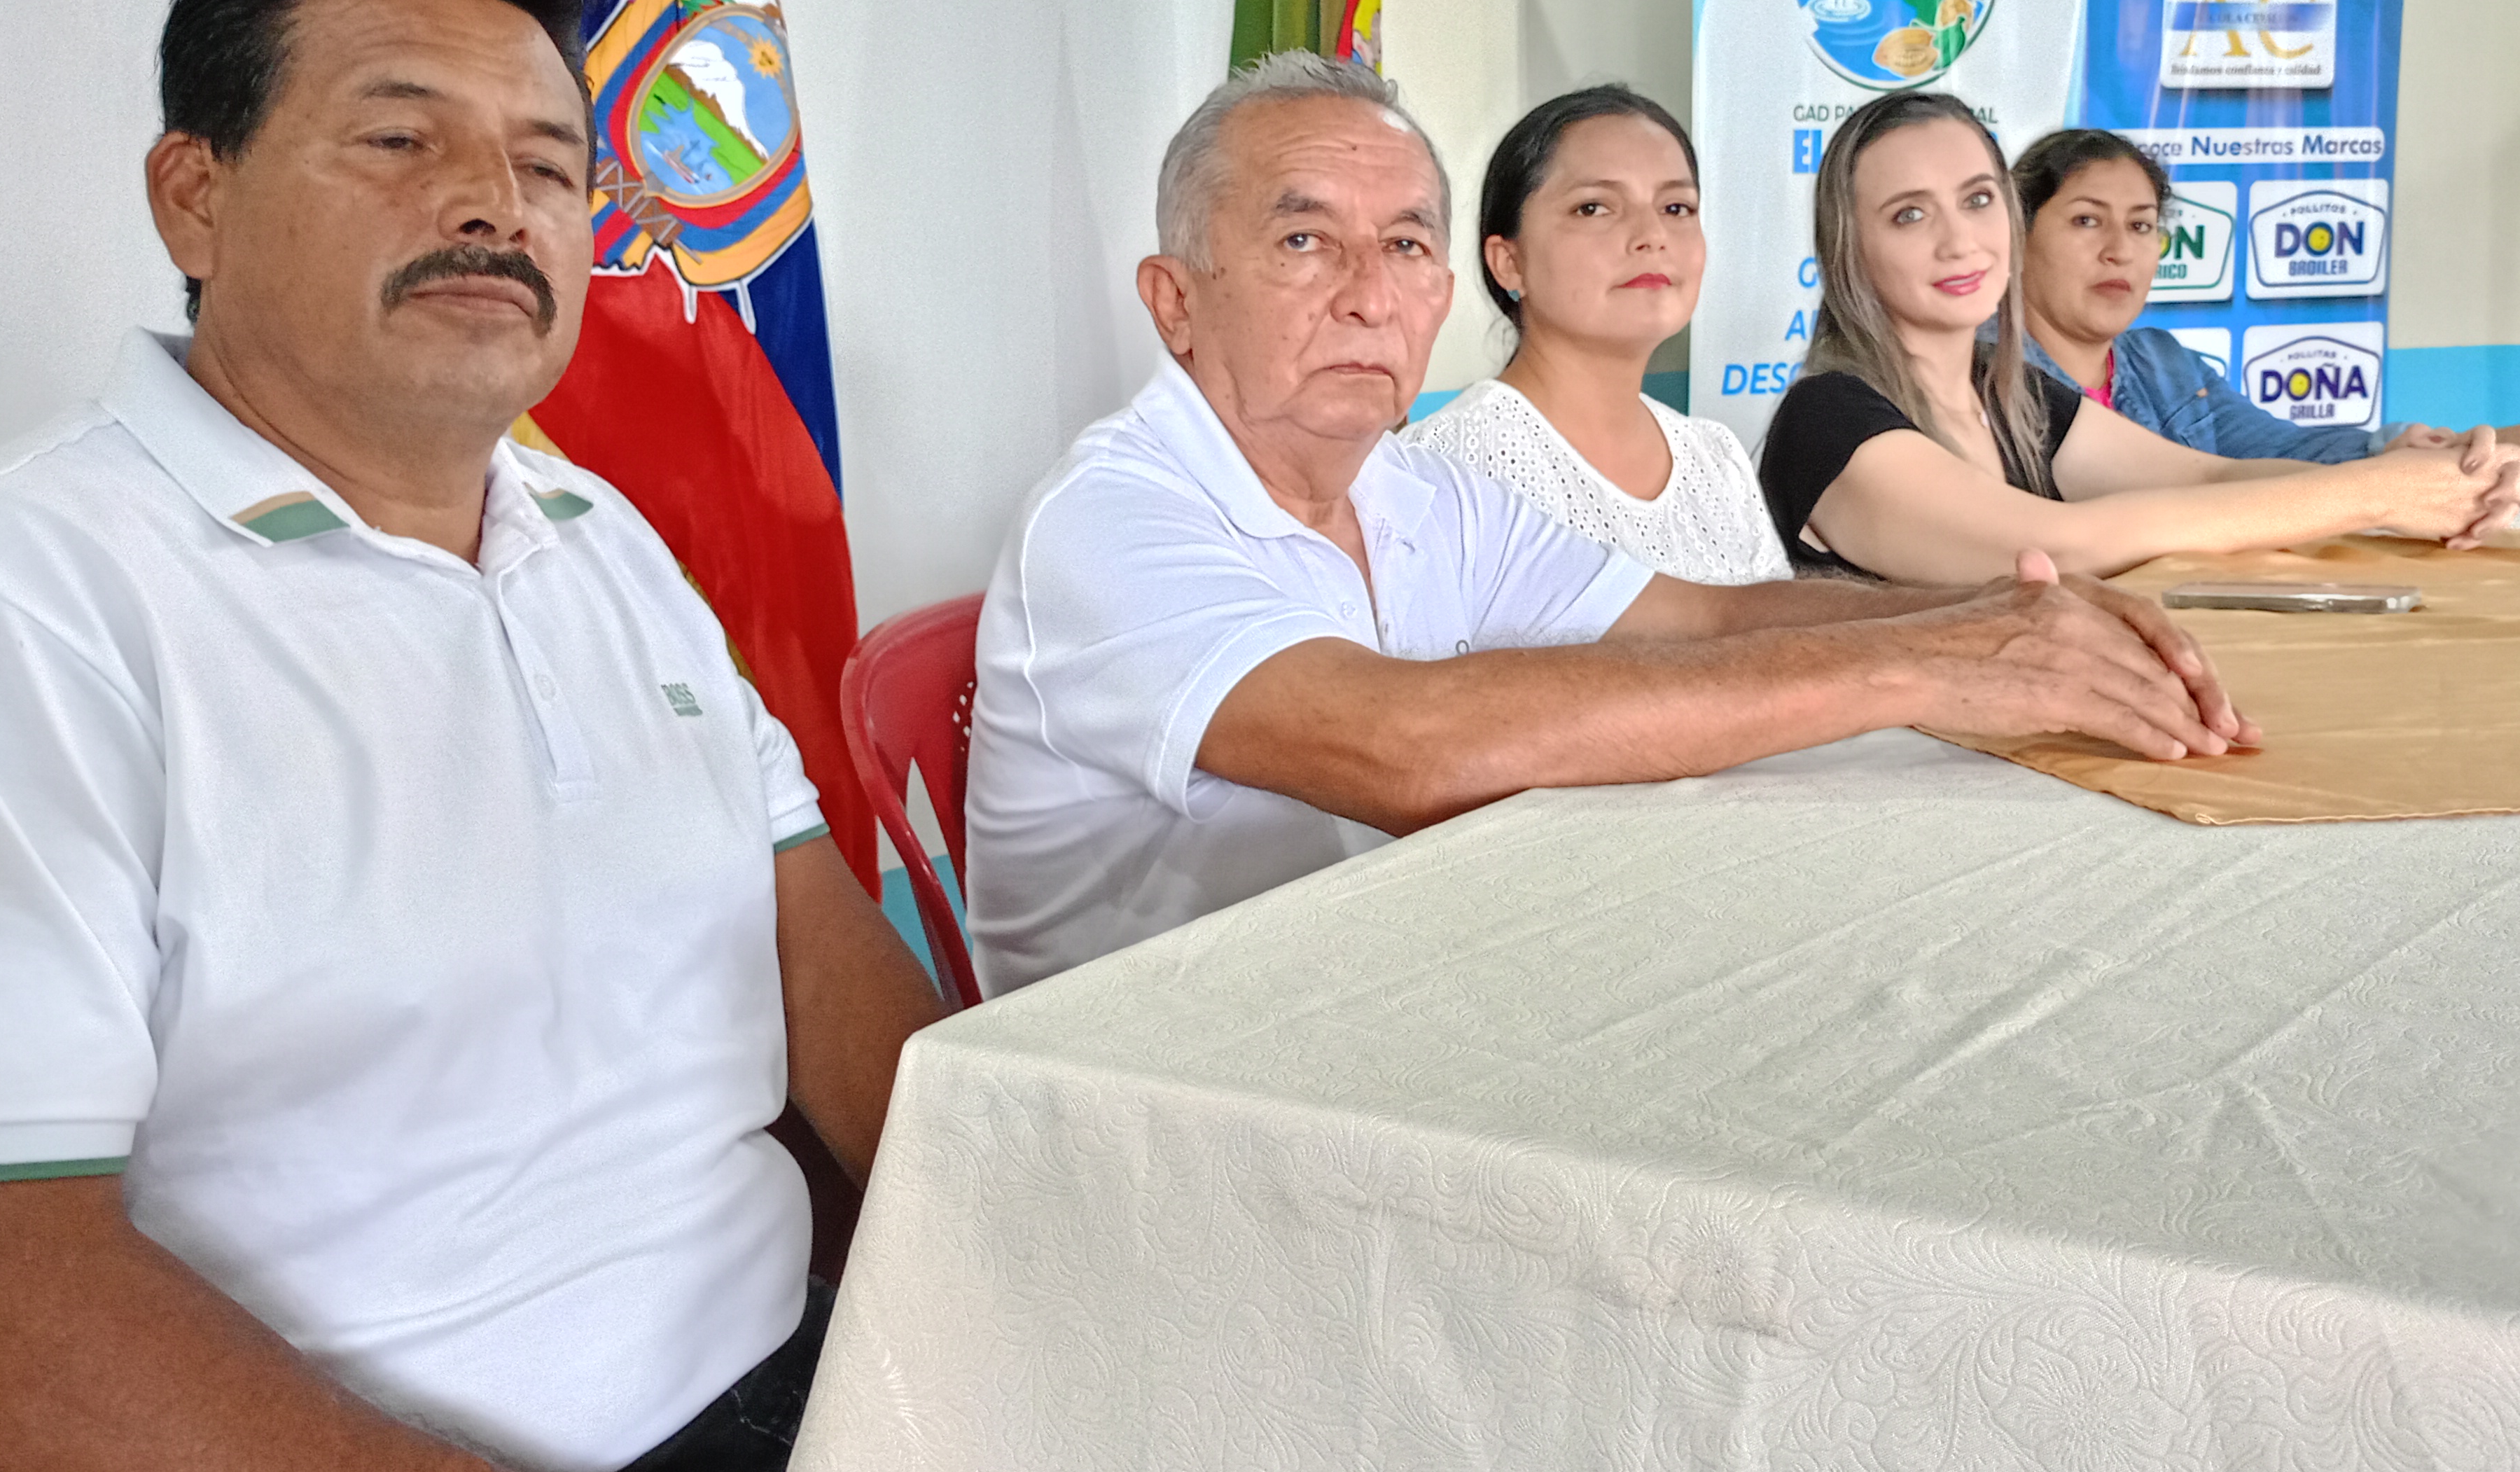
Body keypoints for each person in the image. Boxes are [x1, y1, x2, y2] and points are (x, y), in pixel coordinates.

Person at [0, 0, 945, 1472]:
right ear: (192, 194)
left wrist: (1002, 1264)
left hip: (775, 1410)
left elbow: (816, 956)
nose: (494, 203)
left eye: (549, 164)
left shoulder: (600, 540)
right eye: (399, 138)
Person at [961, 51, 2258, 996]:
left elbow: (1699, 616)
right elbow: (1402, 745)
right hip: (1149, 1076)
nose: (1369, 295)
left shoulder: (1411, 490)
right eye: (1305, 241)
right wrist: (1927, 665)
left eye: (1405, 246)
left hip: (1371, 986)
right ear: (1174, 301)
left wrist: (1996, 616)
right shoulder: (1112, 518)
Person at [1757, 90, 2520, 587]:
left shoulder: (2008, 391)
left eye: (1978, 200)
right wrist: (2379, 494)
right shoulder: (1827, 419)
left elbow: (2209, 478)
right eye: (1909, 214)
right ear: (1847, 249)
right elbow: (2060, 546)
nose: (1960, 241)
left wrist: (2429, 482)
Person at [2011, 126, 2520, 495]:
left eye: (2141, 226)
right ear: (2016, 235)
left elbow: (2285, 452)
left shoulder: (2164, 363)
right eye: (2087, 220)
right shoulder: (1985, 375)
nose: (2119, 250)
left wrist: (2465, 457)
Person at [1405, 84, 1790, 585]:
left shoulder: (1715, 458)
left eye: (1676, 208)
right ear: (1509, 262)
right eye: (1594, 208)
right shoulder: (1447, 464)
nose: (1652, 236)